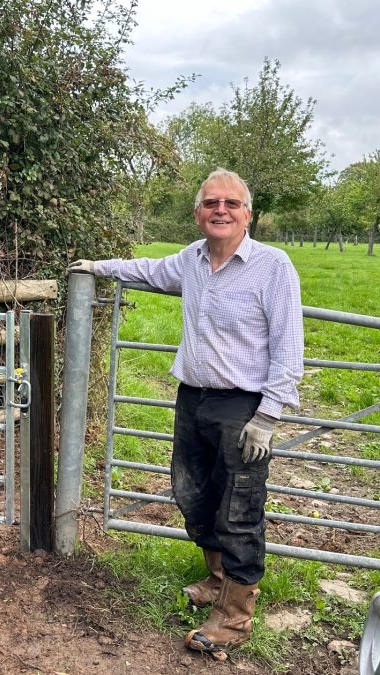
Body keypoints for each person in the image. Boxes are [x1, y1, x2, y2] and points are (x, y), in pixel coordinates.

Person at [69, 168, 304, 656]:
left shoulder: (273, 266)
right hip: (193, 398)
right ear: (198, 214)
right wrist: (97, 267)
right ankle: (218, 580)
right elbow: (147, 270)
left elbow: (288, 344)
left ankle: (235, 617)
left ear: (248, 215)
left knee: (240, 509)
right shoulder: (192, 261)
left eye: (232, 204)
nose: (222, 210)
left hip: (243, 405)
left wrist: (267, 416)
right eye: (212, 203)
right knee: (194, 494)